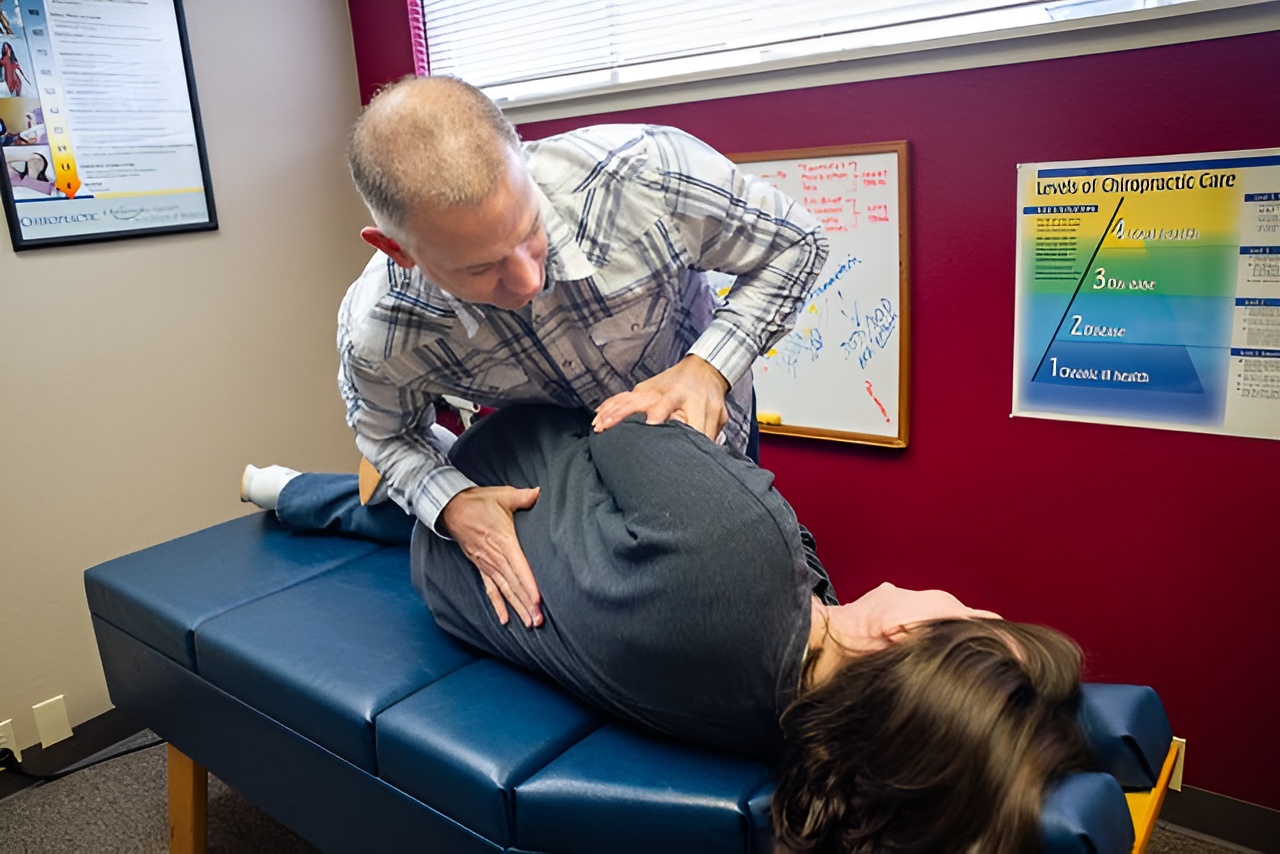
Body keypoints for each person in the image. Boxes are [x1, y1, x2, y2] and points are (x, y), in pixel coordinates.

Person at [242, 404, 1094, 853]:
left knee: (521, 447)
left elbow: (612, 411)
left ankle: (391, 465)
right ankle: (302, 492)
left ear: (899, 643)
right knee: (416, 516)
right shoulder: (797, 726)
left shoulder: (744, 549)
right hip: (461, 594)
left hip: (477, 493)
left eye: (975, 617)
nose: (965, 599)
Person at [340, 74, 829, 631]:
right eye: (481, 268)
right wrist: (451, 504)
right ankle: (301, 494)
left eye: (529, 230)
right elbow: (386, 435)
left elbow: (797, 242)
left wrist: (708, 368)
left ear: (521, 158)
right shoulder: (381, 332)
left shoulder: (646, 175)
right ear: (397, 251)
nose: (528, 281)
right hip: (561, 467)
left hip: (703, 414)